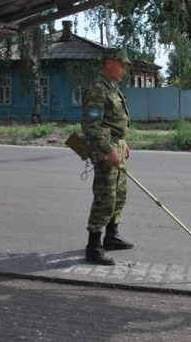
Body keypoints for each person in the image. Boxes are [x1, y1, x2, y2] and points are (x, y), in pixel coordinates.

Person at [81, 48, 134, 265]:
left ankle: (111, 236)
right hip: (105, 150)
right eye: (122, 65)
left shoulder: (112, 87)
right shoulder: (97, 89)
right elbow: (91, 127)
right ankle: (94, 246)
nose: (124, 70)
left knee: (119, 194)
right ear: (109, 63)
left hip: (116, 145)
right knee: (105, 197)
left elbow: (113, 122)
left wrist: (123, 142)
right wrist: (109, 150)